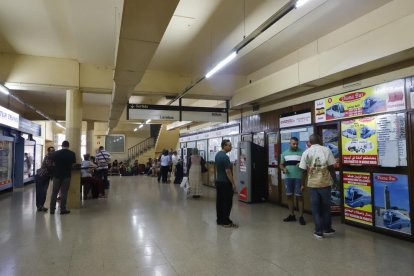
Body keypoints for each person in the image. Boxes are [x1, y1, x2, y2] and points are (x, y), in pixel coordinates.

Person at [299, 134, 337, 239]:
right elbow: (331, 168)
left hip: (313, 184)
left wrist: (302, 184)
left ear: (309, 142)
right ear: (319, 140)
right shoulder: (326, 150)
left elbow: (303, 171)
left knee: (316, 208)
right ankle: (327, 229)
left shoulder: (306, 152)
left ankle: (318, 231)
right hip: (325, 183)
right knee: (326, 207)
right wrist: (335, 181)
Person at [280, 137, 305, 225]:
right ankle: (292, 215)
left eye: (297, 144)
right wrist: (283, 169)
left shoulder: (302, 152)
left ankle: (301, 216)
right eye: (293, 144)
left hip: (299, 178)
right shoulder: (284, 153)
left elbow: (306, 164)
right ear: (289, 143)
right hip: (288, 178)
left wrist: (301, 164)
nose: (295, 145)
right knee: (289, 196)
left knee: (299, 197)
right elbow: (281, 164)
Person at [215, 139, 238, 228]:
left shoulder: (217, 155)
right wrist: (233, 183)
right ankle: (225, 221)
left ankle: (220, 220)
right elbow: (228, 171)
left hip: (219, 181)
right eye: (229, 145)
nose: (231, 147)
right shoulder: (225, 157)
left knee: (220, 202)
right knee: (227, 202)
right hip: (225, 182)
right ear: (224, 146)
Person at [49, 141, 76, 215]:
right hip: (66, 176)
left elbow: (51, 163)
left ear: (62, 145)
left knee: (54, 192)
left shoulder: (55, 153)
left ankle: (52, 209)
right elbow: (73, 164)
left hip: (56, 175)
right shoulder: (72, 153)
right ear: (68, 146)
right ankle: (63, 209)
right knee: (64, 193)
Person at [35, 146, 55, 212]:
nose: (53, 152)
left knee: (44, 192)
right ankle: (39, 206)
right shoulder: (47, 157)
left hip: (46, 177)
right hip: (40, 176)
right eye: (51, 151)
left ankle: (41, 205)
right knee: (40, 192)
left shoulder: (52, 158)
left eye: (53, 150)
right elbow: (50, 166)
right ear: (48, 151)